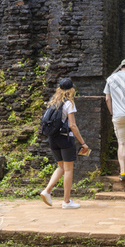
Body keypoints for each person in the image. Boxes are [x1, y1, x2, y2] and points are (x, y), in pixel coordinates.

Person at [40, 78, 89, 209]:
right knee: (68, 169)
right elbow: (72, 125)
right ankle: (66, 201)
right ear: (71, 89)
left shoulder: (53, 102)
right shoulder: (69, 103)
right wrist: (83, 143)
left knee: (61, 167)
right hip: (65, 139)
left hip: (53, 138)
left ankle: (47, 191)